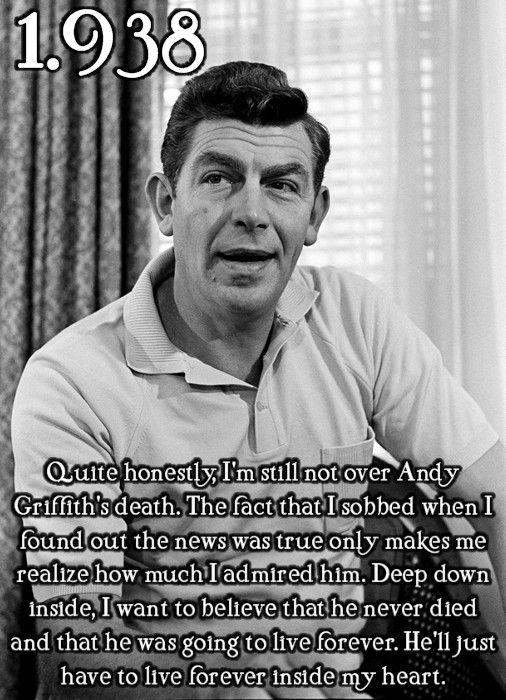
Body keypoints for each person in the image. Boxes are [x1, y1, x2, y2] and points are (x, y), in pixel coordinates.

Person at [12, 61, 506, 699]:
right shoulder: (69, 382)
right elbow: (77, 657)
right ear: (166, 203)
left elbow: (492, 496)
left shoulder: (355, 317)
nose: (252, 212)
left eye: (282, 185)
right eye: (218, 178)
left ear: (315, 215)